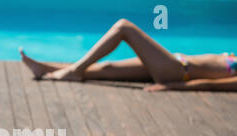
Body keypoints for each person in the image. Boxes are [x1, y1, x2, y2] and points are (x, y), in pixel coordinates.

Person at [20, 19, 237, 91]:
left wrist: (172, 86)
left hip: (178, 72)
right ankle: (44, 68)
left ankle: (73, 71)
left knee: (124, 27)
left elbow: (210, 84)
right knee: (107, 69)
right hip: (175, 64)